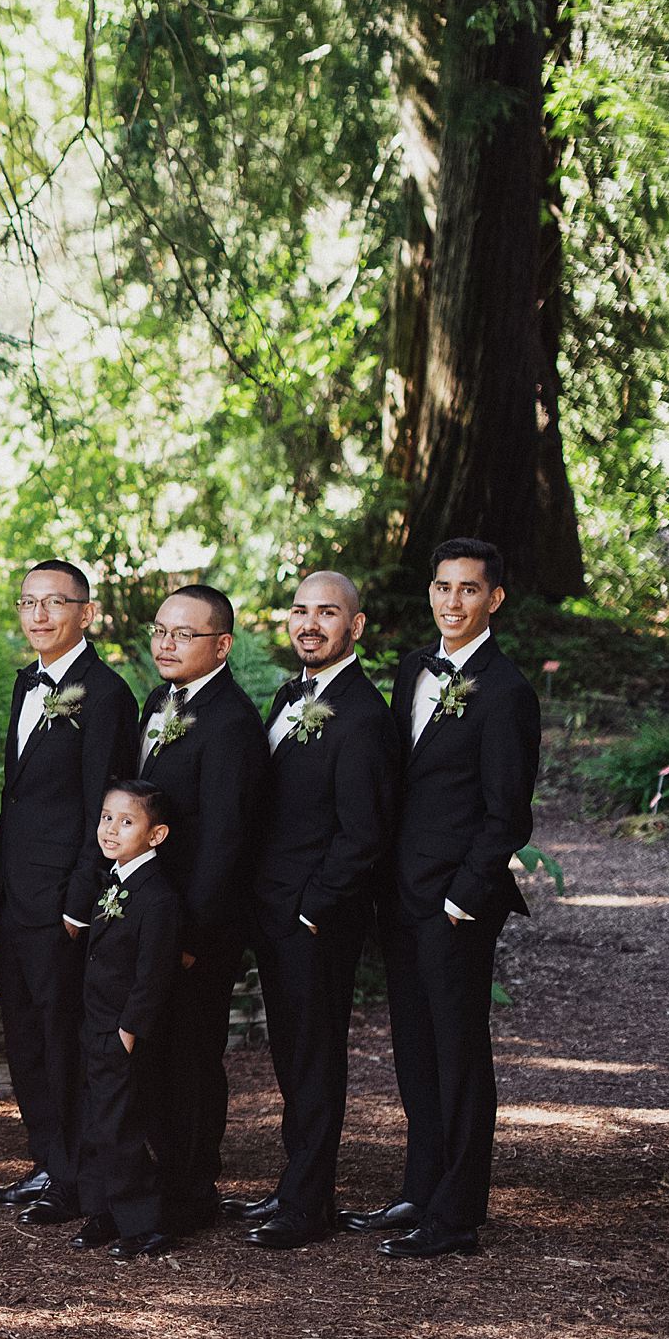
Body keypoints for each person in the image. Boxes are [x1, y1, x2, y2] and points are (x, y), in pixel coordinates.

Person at [346, 538, 541, 1258]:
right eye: (442, 588)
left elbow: (507, 814)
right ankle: (420, 1189)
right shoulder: (409, 673)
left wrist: (463, 897)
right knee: (415, 1051)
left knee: (458, 1057)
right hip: (400, 896)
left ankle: (456, 1216)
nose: (451, 602)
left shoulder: (508, 690)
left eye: (467, 590)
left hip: (455, 904)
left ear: (494, 600)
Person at [232, 572, 394, 1251]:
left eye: (327, 613)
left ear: (354, 627)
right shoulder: (287, 694)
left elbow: (365, 830)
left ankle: (307, 1205)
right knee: (292, 1054)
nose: (310, 623)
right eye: (301, 610)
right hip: (273, 908)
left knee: (316, 1056)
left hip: (313, 918)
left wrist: (313, 908)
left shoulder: (363, 713)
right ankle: (299, 1185)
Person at [0, 559, 138, 1222]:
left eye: (55, 603)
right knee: (26, 1039)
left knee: (65, 1038)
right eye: (28, 603)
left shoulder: (107, 695)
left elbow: (105, 807)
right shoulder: (25, 685)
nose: (38, 615)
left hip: (64, 904)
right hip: (15, 896)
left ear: (86, 613)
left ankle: (77, 1180)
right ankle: (47, 1164)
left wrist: (80, 899)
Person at [125, 583, 266, 1238]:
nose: (167, 643)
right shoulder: (160, 702)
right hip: (152, 914)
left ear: (222, 645)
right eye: (161, 630)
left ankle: (191, 1190)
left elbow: (227, 836)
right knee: (153, 1052)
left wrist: (193, 935)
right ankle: (153, 1179)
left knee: (191, 1056)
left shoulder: (233, 721)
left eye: (185, 634)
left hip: (198, 924)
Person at [72, 781, 184, 1261]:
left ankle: (147, 1222)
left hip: (123, 1031)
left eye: (126, 821)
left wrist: (128, 1031)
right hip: (95, 1022)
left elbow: (153, 973)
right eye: (105, 817)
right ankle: (108, 1211)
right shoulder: (112, 881)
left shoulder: (156, 897)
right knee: (97, 1121)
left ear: (156, 835)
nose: (111, 829)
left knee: (121, 1125)